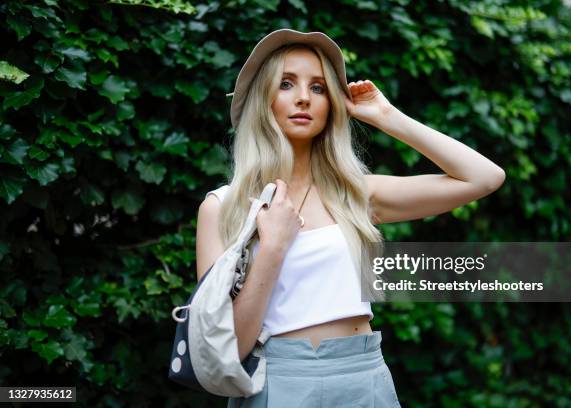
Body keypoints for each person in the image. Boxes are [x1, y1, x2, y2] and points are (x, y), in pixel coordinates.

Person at [196, 29, 505, 408]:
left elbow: (484, 177)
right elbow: (229, 347)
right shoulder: (223, 207)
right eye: (286, 84)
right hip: (278, 383)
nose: (304, 98)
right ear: (263, 99)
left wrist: (388, 117)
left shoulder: (356, 194)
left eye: (319, 87)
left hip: (364, 375)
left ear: (332, 106)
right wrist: (273, 247)